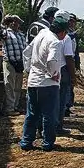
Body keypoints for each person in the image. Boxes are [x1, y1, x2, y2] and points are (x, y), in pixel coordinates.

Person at [19, 15, 69, 151]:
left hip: (33, 82)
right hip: (48, 84)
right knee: (49, 115)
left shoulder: (42, 33)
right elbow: (52, 61)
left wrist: (28, 69)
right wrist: (54, 74)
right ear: (62, 32)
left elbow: (26, 52)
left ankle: (26, 141)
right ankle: (47, 143)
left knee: (32, 113)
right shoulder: (55, 42)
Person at [0, 14, 27, 115]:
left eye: (17, 22)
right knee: (9, 86)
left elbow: (25, 48)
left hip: (20, 63)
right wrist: (3, 24)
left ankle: (15, 107)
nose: (16, 24)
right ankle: (9, 108)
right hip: (9, 62)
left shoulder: (21, 35)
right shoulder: (5, 32)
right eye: (13, 21)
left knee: (17, 87)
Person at [54, 11, 77, 134]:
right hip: (62, 70)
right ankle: (58, 127)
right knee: (61, 100)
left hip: (47, 70)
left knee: (50, 100)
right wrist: (73, 77)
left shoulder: (45, 34)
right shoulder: (66, 37)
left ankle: (42, 128)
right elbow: (69, 58)